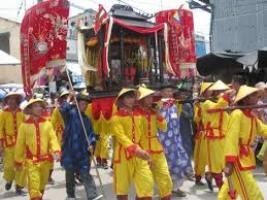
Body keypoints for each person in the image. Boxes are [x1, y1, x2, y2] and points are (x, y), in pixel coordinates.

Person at [218, 85, 267, 200]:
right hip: (237, 159)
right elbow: (231, 138)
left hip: (245, 158)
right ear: (245, 99)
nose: (257, 99)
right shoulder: (237, 114)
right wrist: (229, 162)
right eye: (254, 96)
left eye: (257, 96)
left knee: (229, 191)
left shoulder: (251, 116)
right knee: (252, 193)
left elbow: (263, 130)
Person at [110, 88, 153, 200]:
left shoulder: (139, 115)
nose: (131, 100)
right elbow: (122, 137)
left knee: (146, 183)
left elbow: (143, 135)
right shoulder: (116, 118)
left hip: (140, 154)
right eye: (128, 97)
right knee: (122, 188)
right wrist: (136, 150)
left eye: (132, 97)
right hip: (123, 156)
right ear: (122, 100)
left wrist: (147, 152)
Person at [14, 98, 61, 200]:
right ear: (30, 109)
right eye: (36, 106)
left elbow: (53, 139)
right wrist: (18, 160)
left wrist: (56, 150)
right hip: (31, 162)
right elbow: (20, 144)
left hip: (46, 161)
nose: (39, 108)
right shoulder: (24, 126)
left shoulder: (47, 124)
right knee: (34, 188)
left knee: (41, 186)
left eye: (40, 106)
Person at [60, 91, 99, 200]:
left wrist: (91, 144)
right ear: (76, 103)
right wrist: (69, 97)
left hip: (82, 151)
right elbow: (63, 109)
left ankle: (92, 195)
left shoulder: (87, 119)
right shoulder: (70, 114)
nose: (84, 106)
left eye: (86, 105)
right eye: (82, 104)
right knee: (70, 174)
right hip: (70, 150)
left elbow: (91, 134)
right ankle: (71, 195)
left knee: (85, 173)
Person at [136, 86, 173, 200]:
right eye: (147, 97)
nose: (150, 99)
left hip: (156, 147)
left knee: (165, 175)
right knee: (145, 180)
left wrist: (158, 113)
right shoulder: (135, 113)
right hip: (142, 149)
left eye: (151, 97)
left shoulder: (154, 111)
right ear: (141, 99)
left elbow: (164, 128)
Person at [158, 84, 189, 197]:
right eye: (166, 91)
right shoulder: (159, 106)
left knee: (179, 163)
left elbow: (176, 123)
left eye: (170, 91)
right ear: (161, 93)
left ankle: (176, 187)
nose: (169, 93)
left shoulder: (174, 105)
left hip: (176, 140)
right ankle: (168, 189)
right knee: (167, 166)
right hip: (164, 141)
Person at [202, 80, 231, 190]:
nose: (223, 93)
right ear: (216, 92)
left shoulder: (222, 102)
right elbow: (219, 106)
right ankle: (221, 186)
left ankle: (209, 176)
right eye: (221, 91)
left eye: (224, 91)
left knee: (222, 161)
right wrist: (225, 96)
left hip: (224, 136)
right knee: (216, 163)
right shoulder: (207, 104)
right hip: (213, 138)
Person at [0, 92, 26, 195]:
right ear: (6, 101)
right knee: (9, 166)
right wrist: (1, 144)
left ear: (17, 101)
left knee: (21, 165)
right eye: (9, 99)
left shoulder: (22, 112)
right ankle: (9, 179)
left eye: (14, 99)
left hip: (21, 143)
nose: (11, 101)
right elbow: (0, 129)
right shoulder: (3, 113)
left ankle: (19, 187)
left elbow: (26, 127)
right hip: (8, 144)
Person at [193, 82, 213, 186]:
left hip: (215, 135)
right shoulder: (198, 104)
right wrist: (200, 108)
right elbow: (196, 119)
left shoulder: (215, 101)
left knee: (214, 157)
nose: (212, 90)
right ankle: (198, 177)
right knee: (201, 157)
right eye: (209, 89)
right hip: (203, 134)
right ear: (204, 91)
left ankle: (211, 175)